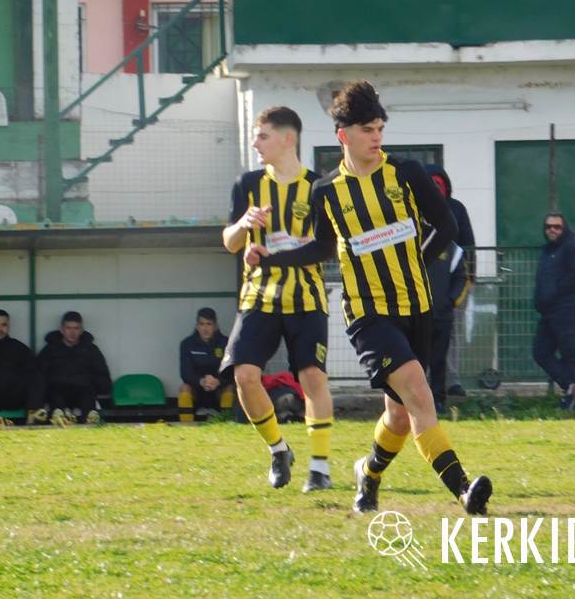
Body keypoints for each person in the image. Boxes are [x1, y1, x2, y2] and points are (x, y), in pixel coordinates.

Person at [247, 81, 492, 515]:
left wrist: (417, 259)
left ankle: (369, 473)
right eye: (367, 129)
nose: (377, 137)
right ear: (344, 135)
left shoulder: (408, 173)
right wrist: (274, 259)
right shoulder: (327, 191)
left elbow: (448, 228)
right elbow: (322, 248)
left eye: (380, 128)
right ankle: (463, 489)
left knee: (399, 415)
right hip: (368, 313)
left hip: (416, 305)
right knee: (419, 394)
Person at [221, 105, 335, 493]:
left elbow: (326, 247)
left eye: (263, 136)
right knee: (244, 376)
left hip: (306, 298)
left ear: (288, 139)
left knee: (312, 377)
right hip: (259, 296)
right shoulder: (248, 184)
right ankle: (278, 449)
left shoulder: (319, 187)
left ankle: (319, 467)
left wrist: (291, 249)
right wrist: (244, 225)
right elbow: (229, 242)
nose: (256, 143)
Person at [425, 164, 476, 397]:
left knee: (453, 332)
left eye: (439, 184)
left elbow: (469, 243)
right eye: (430, 185)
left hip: (455, 281)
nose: (435, 189)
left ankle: (452, 379)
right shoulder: (416, 208)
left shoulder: (456, 209)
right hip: (426, 286)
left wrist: (469, 278)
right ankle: (425, 379)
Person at [533, 212, 575, 410]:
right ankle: (571, 387)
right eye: (548, 227)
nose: (552, 230)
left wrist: (553, 294)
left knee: (569, 353)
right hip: (549, 312)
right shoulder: (547, 250)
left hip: (567, 310)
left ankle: (572, 399)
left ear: (564, 229)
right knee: (540, 352)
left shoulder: (573, 247)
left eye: (557, 227)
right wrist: (540, 300)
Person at [35, 311, 112, 426]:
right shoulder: (50, 350)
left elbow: (102, 374)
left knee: (88, 395)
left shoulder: (91, 350)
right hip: (57, 390)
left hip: (83, 391)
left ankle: (90, 421)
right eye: (68, 328)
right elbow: (39, 375)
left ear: (81, 330)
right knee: (55, 396)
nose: (72, 332)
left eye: (76, 328)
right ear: (62, 330)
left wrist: (95, 385)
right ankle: (59, 418)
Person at [425, 239, 471, 413]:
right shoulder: (409, 244)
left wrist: (450, 301)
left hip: (442, 317)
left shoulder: (452, 250)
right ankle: (413, 403)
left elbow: (461, 278)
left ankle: (437, 401)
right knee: (415, 362)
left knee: (438, 360)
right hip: (415, 316)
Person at [178, 307, 233, 422]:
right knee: (184, 388)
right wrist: (202, 381)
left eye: (209, 324)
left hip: (218, 388)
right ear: (197, 326)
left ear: (215, 326)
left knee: (230, 388)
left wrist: (218, 381)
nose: (205, 328)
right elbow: (185, 373)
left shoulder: (227, 343)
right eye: (202, 324)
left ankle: (228, 424)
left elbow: (231, 371)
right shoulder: (187, 344)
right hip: (197, 388)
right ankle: (186, 426)